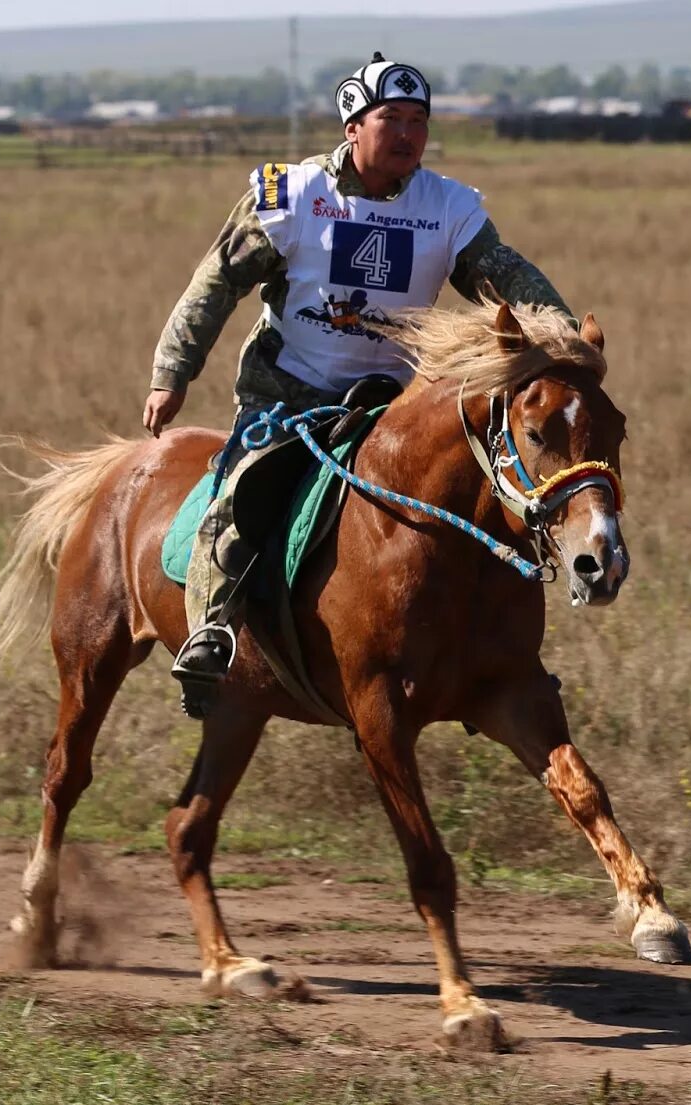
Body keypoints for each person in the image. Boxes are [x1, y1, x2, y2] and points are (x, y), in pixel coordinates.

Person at [144, 52, 574, 707]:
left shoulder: (450, 208)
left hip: (392, 402)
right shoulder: (291, 196)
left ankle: (493, 652)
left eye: (418, 121)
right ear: (352, 127)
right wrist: (171, 372)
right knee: (243, 490)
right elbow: (216, 284)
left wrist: (562, 341)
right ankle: (211, 633)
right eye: (389, 118)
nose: (406, 133)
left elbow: (508, 276)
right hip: (288, 394)